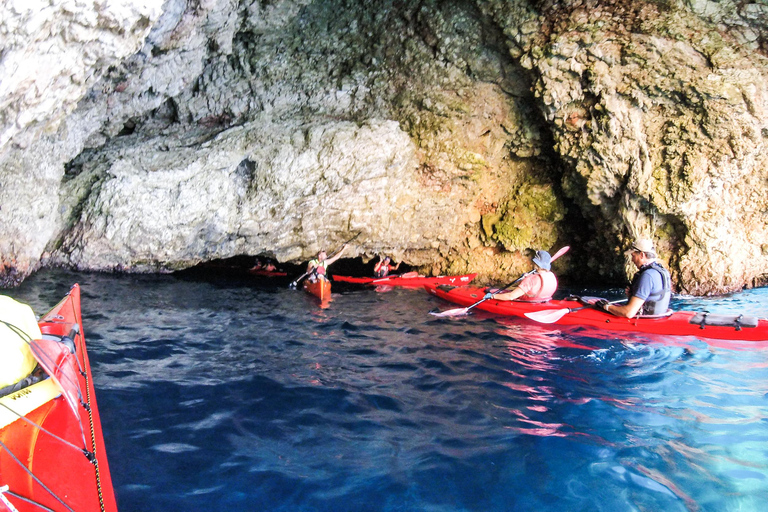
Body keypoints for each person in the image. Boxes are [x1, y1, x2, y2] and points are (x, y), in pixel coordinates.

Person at [595, 238, 671, 318]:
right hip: (660, 317)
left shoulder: (647, 275)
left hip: (645, 322)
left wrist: (606, 306)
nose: (632, 260)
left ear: (642, 255)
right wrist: (632, 295)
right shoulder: (663, 271)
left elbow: (628, 313)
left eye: (633, 256)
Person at [485, 250, 558, 302]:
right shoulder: (551, 276)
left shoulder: (530, 280)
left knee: (493, 292)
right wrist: (528, 277)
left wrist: (493, 296)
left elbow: (511, 296)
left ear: (535, 263)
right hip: (542, 301)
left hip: (527, 302)